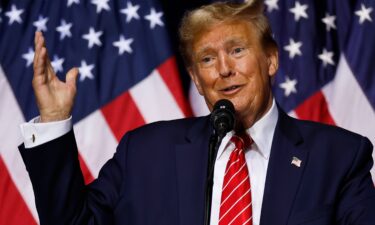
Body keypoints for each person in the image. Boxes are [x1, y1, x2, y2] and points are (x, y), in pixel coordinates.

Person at [19, 1, 375, 225]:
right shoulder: (144, 152)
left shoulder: (339, 157)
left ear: (271, 59)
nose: (223, 69)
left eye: (237, 50)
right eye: (207, 58)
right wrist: (53, 120)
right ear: (195, 78)